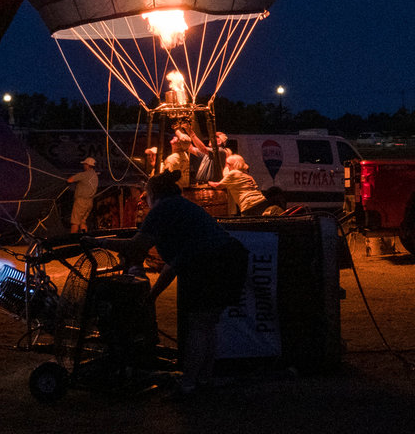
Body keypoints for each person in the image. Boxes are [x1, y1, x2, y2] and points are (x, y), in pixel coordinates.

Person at [88, 171, 249, 396]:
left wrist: (97, 241)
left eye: (146, 196)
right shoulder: (180, 206)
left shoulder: (162, 210)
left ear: (154, 194)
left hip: (212, 263)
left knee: (199, 325)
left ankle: (189, 385)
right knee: (206, 325)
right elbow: (172, 266)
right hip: (229, 259)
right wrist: (153, 295)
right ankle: (202, 380)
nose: (144, 201)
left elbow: (136, 247)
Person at [208, 153, 276, 215]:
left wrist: (208, 182)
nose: (227, 166)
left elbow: (218, 186)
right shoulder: (247, 175)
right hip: (261, 201)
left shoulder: (233, 173)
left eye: (228, 164)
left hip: (249, 204)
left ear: (233, 164)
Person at [66, 156, 99, 233]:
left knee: (75, 223)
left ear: (88, 165)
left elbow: (69, 180)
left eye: (84, 164)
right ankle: (85, 237)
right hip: (90, 202)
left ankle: (73, 240)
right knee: (83, 222)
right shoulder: (95, 176)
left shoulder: (84, 174)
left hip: (81, 202)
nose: (83, 166)